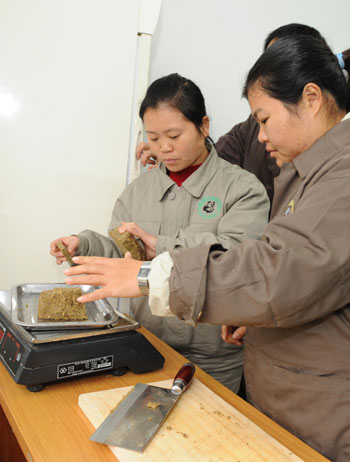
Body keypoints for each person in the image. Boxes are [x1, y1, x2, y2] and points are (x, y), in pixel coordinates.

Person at [64, 36, 350, 462]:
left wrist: (152, 270)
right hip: (167, 349)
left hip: (294, 394)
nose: (260, 134)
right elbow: (296, 275)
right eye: (153, 137)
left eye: (265, 119)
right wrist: (86, 246)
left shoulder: (303, 178)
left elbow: (270, 269)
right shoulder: (308, 171)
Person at [52, 73, 269, 393]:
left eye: (174, 135)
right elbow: (123, 252)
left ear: (204, 126)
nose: (164, 148)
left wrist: (161, 245)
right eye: (153, 138)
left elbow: (238, 259)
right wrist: (83, 243)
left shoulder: (242, 188)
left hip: (217, 357)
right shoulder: (138, 191)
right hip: (150, 347)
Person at [137, 23, 327, 204]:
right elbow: (213, 158)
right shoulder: (250, 129)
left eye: (281, 66)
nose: (263, 136)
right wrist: (169, 148)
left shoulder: (336, 156)